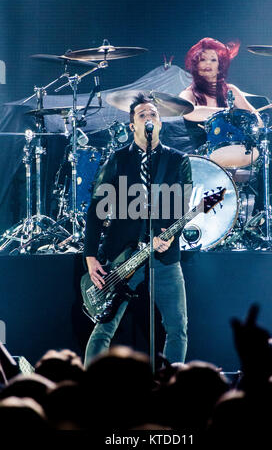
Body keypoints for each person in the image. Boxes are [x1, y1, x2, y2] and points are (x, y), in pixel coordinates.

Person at [83, 93, 193, 367]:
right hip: (122, 255)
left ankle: (171, 388)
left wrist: (170, 236)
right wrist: (90, 255)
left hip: (163, 257)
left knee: (178, 328)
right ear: (132, 125)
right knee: (104, 328)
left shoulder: (178, 160)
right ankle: (87, 389)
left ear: (161, 123)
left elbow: (182, 208)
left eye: (153, 114)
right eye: (142, 115)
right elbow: (96, 209)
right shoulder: (118, 159)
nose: (149, 118)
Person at [179, 37, 263, 125]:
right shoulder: (189, 93)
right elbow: (188, 112)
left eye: (213, 60)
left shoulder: (230, 90)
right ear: (196, 67)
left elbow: (257, 120)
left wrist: (250, 118)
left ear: (219, 67)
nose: (208, 63)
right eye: (203, 59)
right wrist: (228, 112)